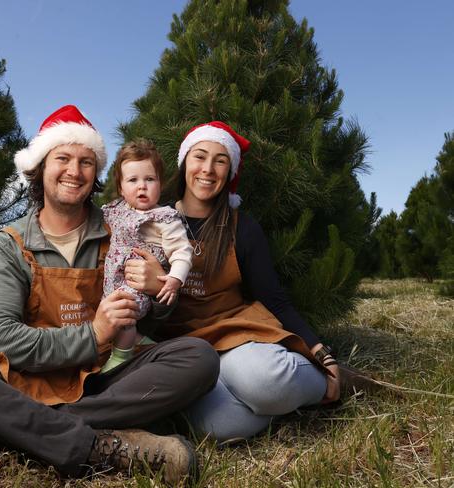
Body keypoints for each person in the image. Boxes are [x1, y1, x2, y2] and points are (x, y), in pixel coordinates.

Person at [0, 105, 220, 484]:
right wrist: (92, 334)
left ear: (98, 175)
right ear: (40, 168)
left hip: (105, 380)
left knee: (198, 357)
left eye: (87, 162)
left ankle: (10, 431)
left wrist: (156, 288)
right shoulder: (11, 245)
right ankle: (103, 443)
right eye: (63, 158)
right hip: (21, 381)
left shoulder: (120, 229)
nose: (75, 171)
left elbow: (149, 318)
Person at [125, 121, 340, 444]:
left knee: (263, 380)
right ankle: (272, 401)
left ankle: (322, 384)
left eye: (220, 160)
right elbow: (138, 311)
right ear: (185, 162)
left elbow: (274, 298)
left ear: (229, 171)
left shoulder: (242, 228)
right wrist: (157, 291)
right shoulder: (152, 222)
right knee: (217, 427)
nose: (208, 169)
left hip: (237, 339)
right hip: (186, 352)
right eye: (199, 157)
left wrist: (320, 351)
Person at [100, 140, 193, 372]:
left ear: (159, 184)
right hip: (113, 278)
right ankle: (140, 342)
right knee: (107, 312)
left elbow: (182, 252)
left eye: (149, 179)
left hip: (139, 285)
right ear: (121, 188)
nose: (142, 187)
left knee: (124, 313)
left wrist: (174, 280)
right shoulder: (117, 210)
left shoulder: (164, 219)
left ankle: (121, 356)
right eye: (133, 180)